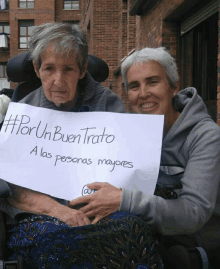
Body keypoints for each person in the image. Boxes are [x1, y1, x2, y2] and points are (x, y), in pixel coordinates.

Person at [1, 24, 163, 268]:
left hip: (101, 208)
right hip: (40, 213)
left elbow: (125, 171)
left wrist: (105, 202)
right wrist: (60, 211)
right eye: (49, 69)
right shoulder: (23, 115)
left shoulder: (108, 103)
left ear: (82, 69)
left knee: (133, 231)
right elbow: (13, 188)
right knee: (56, 242)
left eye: (68, 69)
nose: (58, 80)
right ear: (36, 69)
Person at [70, 47, 220, 268]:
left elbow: (193, 213)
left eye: (152, 82)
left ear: (173, 85)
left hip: (196, 245)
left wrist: (124, 200)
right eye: (134, 86)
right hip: (145, 233)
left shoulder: (205, 136)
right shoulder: (126, 132)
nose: (143, 93)